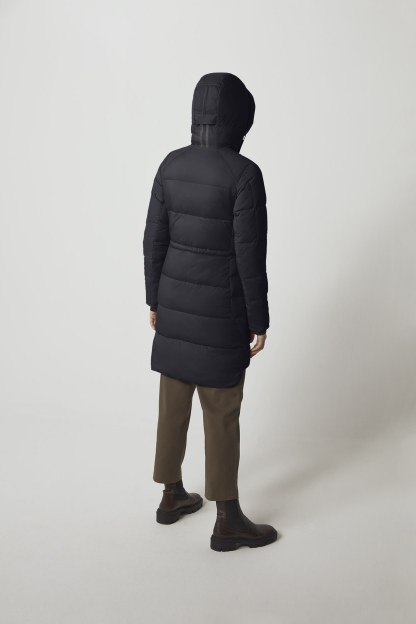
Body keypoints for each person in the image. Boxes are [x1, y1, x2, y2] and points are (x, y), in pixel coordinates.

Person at [143, 72, 278, 551]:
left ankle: (171, 495)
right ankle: (228, 519)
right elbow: (250, 256)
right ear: (240, 118)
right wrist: (259, 320)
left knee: (172, 400)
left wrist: (154, 301)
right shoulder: (244, 174)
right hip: (222, 313)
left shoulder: (170, 164)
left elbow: (153, 239)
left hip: (175, 307)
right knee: (221, 411)